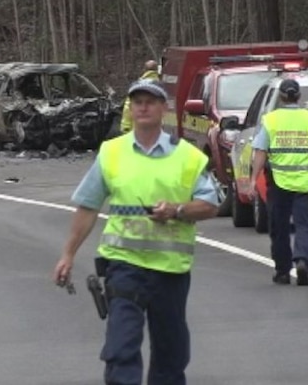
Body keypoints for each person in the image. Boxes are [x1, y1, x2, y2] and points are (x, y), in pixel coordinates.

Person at [53, 79, 219, 384]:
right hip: (123, 265)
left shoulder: (188, 156)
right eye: (137, 101)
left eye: (150, 101)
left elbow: (211, 204)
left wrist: (177, 211)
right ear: (130, 108)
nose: (143, 107)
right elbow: (88, 206)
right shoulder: (112, 152)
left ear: (163, 108)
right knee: (121, 347)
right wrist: (68, 255)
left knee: (171, 355)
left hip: (170, 271)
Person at [247, 78, 308, 286]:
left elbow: (260, 152)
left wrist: (252, 181)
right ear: (299, 96)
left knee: (279, 228)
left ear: (282, 97)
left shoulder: (271, 120)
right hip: (306, 182)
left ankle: (283, 271)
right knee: (306, 226)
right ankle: (302, 259)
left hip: (278, 182)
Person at [120, 60, 160, 133]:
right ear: (157, 70)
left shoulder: (137, 86)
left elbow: (128, 107)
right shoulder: (162, 86)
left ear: (144, 70)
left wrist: (126, 126)